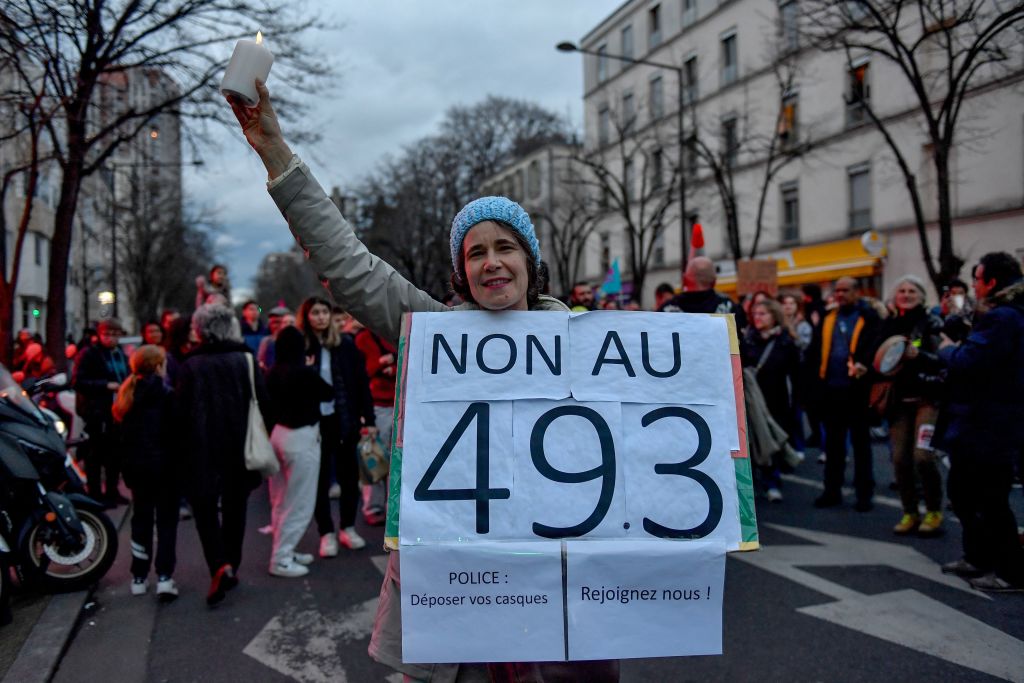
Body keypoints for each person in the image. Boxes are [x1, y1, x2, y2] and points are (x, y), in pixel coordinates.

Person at [229, 79, 615, 681]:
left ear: (530, 261)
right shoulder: (434, 334)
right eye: (475, 252)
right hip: (455, 579)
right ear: (462, 272)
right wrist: (275, 150)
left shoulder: (585, 342)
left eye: (506, 247)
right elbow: (347, 262)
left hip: (555, 577)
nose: (491, 262)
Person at [937, 252, 1024, 592]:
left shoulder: (1004, 317)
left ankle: (1010, 571)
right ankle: (978, 557)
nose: (973, 286)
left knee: (990, 499)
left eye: (977, 279)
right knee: (963, 491)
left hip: (990, 422)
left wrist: (947, 348)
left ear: (990, 282)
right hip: (982, 419)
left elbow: (970, 359)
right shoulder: (1003, 315)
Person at [174, 304, 270, 606]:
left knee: (204, 510)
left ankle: (218, 564)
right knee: (235, 507)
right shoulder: (246, 360)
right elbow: (264, 402)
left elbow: (179, 412)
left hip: (199, 448)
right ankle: (232, 562)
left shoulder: (190, 365)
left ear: (200, 330)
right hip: (239, 445)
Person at [297, 296, 377, 557]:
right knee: (319, 481)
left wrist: (369, 419)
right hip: (314, 422)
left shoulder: (345, 345)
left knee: (348, 477)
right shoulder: (302, 346)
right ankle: (326, 533)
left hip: (345, 420)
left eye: (324, 312)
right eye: (315, 313)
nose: (320, 317)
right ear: (306, 317)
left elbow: (362, 384)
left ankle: (347, 527)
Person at [876, 275, 945, 536]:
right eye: (901, 290)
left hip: (927, 399)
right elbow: (876, 356)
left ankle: (934, 510)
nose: (906, 294)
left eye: (912, 290)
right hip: (899, 401)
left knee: (923, 457)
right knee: (900, 459)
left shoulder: (932, 323)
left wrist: (920, 356)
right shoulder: (889, 324)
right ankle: (910, 512)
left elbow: (942, 359)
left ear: (921, 296)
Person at [265, 326, 334, 578]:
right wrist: (311, 367)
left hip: (278, 436)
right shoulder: (304, 373)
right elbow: (328, 393)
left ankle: (285, 550)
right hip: (302, 438)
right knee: (299, 503)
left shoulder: (272, 373)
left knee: (281, 499)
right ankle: (281, 558)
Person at [112, 345, 180, 601]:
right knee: (166, 523)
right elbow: (176, 436)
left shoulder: (127, 396)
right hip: (165, 469)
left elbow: (122, 439)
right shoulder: (167, 395)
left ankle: (138, 576)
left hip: (138, 469)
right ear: (159, 366)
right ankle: (165, 576)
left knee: (141, 520)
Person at [808, 277, 880, 511]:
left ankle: (864, 494)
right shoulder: (828, 319)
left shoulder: (868, 318)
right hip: (831, 390)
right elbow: (816, 351)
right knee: (834, 445)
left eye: (845, 290)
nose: (840, 294)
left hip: (858, 390)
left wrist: (865, 365)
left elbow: (875, 348)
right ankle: (832, 490)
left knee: (861, 445)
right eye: (837, 290)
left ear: (856, 292)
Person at [741, 298, 800, 502]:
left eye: (762, 314)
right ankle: (757, 482)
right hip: (753, 400)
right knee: (752, 441)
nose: (757, 318)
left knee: (770, 441)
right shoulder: (747, 340)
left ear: (774, 316)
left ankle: (772, 482)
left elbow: (795, 373)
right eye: (755, 314)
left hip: (776, 399)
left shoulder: (786, 342)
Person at [73, 318, 131, 505]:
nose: (111, 338)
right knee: (95, 454)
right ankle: (96, 493)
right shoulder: (89, 354)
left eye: (115, 334)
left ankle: (112, 491)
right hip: (96, 411)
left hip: (117, 411)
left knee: (115, 454)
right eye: (107, 334)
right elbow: (78, 381)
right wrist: (105, 386)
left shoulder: (121, 355)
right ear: (99, 334)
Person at [354, 320, 398, 526]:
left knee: (397, 460)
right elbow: (362, 372)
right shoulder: (363, 339)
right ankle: (372, 505)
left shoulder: (396, 334)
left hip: (399, 403)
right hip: (377, 405)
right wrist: (382, 364)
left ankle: (394, 507)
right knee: (373, 459)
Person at [658, 256, 748, 331]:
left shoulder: (666, 311)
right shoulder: (729, 308)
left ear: (685, 280)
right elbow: (741, 346)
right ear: (714, 282)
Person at [258, 307, 294, 372]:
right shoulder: (266, 341)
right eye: (272, 322)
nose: (275, 326)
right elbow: (261, 361)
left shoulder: (296, 342)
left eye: (278, 322)